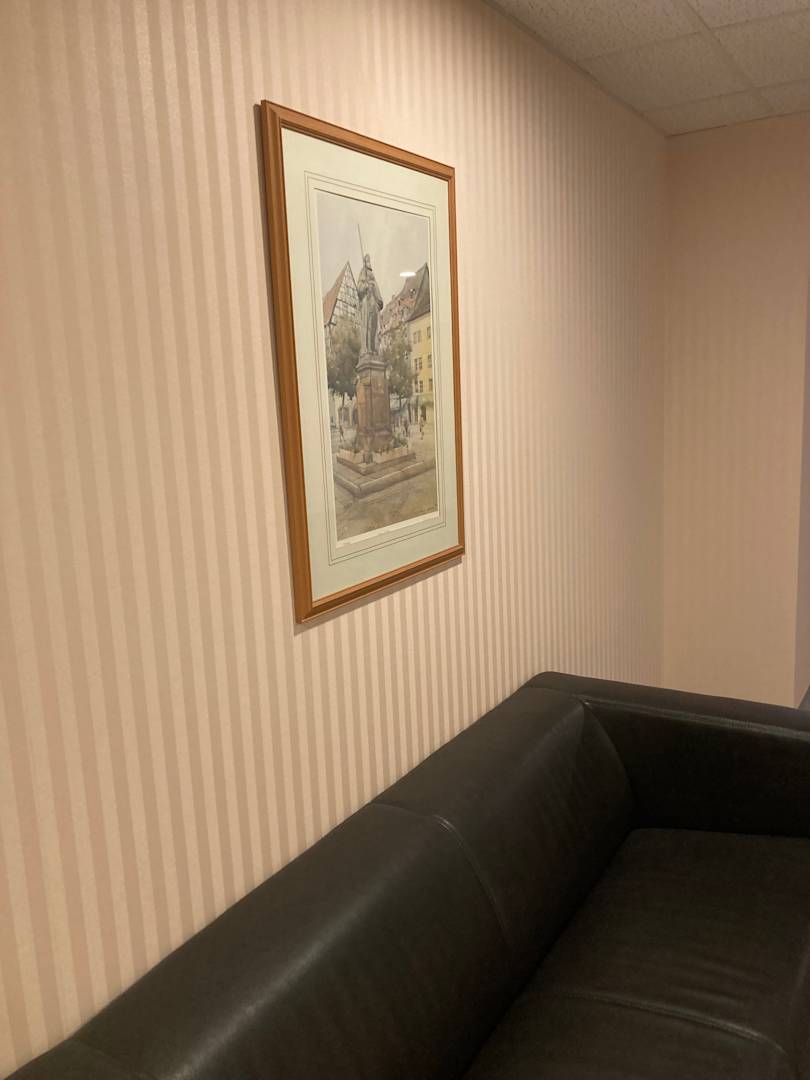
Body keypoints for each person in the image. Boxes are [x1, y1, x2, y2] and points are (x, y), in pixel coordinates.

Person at [357, 252, 383, 355]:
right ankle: (367, 349)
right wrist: (366, 286)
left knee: (374, 327)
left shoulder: (371, 274)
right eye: (367, 260)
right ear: (364, 262)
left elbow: (376, 288)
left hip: (373, 303)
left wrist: (379, 300)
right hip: (366, 303)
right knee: (367, 326)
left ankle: (374, 348)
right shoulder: (363, 272)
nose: (369, 262)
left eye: (369, 260)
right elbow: (359, 288)